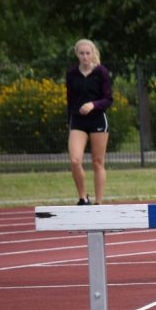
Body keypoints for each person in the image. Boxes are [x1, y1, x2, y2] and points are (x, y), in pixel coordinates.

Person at [66, 38, 113, 206]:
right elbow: (70, 100)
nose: (85, 57)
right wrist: (69, 121)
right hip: (78, 121)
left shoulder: (101, 72)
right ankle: (83, 197)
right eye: (81, 53)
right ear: (77, 54)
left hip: (97, 120)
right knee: (75, 160)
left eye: (88, 53)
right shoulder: (71, 74)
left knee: (97, 161)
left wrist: (93, 104)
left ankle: (99, 203)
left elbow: (108, 99)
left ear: (93, 54)